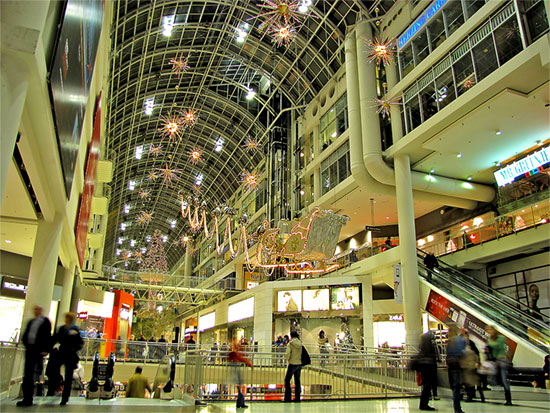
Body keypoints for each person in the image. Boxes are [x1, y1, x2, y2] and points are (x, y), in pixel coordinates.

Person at [17, 305, 52, 407]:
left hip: (37, 350)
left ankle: (29, 398)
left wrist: (46, 349)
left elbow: (47, 336)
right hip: (30, 349)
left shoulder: (45, 322)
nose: (35, 311)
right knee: (27, 373)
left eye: (37, 309)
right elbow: (26, 335)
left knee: (32, 373)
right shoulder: (31, 321)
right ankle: (27, 398)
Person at [51, 312, 84, 405]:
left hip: (69, 354)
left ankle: (65, 397)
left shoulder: (73, 329)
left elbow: (79, 342)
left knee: (68, 376)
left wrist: (74, 349)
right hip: (62, 353)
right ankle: (58, 389)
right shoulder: (62, 328)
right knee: (56, 370)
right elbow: (55, 338)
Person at [486, 325, 513, 406]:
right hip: (494, 361)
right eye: (488, 331)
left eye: (490, 330)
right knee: (491, 379)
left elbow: (509, 349)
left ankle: (508, 400)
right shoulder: (489, 340)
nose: (489, 332)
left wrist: (507, 356)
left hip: (502, 361)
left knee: (504, 381)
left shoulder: (501, 338)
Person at [228, 337, 253, 408]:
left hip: (235, 368)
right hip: (235, 368)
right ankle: (240, 403)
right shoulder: (234, 352)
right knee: (239, 386)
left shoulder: (234, 350)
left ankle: (240, 402)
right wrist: (249, 364)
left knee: (239, 386)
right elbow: (241, 358)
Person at [415, 331, 438, 411]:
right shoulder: (430, 345)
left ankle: (423, 404)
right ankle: (424, 404)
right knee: (427, 387)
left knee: (426, 386)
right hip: (429, 367)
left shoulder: (422, 345)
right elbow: (436, 356)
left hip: (424, 368)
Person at [446, 324, 466, 413]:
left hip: (451, 365)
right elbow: (462, 352)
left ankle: (456, 407)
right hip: (458, 364)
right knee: (457, 386)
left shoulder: (449, 341)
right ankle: (457, 408)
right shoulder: (460, 340)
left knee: (454, 386)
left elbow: (447, 354)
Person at [462, 331, 485, 403]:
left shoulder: (471, 344)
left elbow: (476, 354)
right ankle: (471, 395)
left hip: (471, 366)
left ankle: (476, 396)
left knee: (474, 382)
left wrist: (477, 362)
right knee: (469, 382)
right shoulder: (462, 345)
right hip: (466, 366)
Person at [284, 331, 302, 403]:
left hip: (292, 363)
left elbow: (287, 354)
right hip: (299, 363)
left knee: (287, 380)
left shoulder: (290, 344)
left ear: (291, 336)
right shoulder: (300, 343)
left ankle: (288, 398)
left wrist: (287, 359)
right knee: (297, 381)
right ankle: (297, 398)